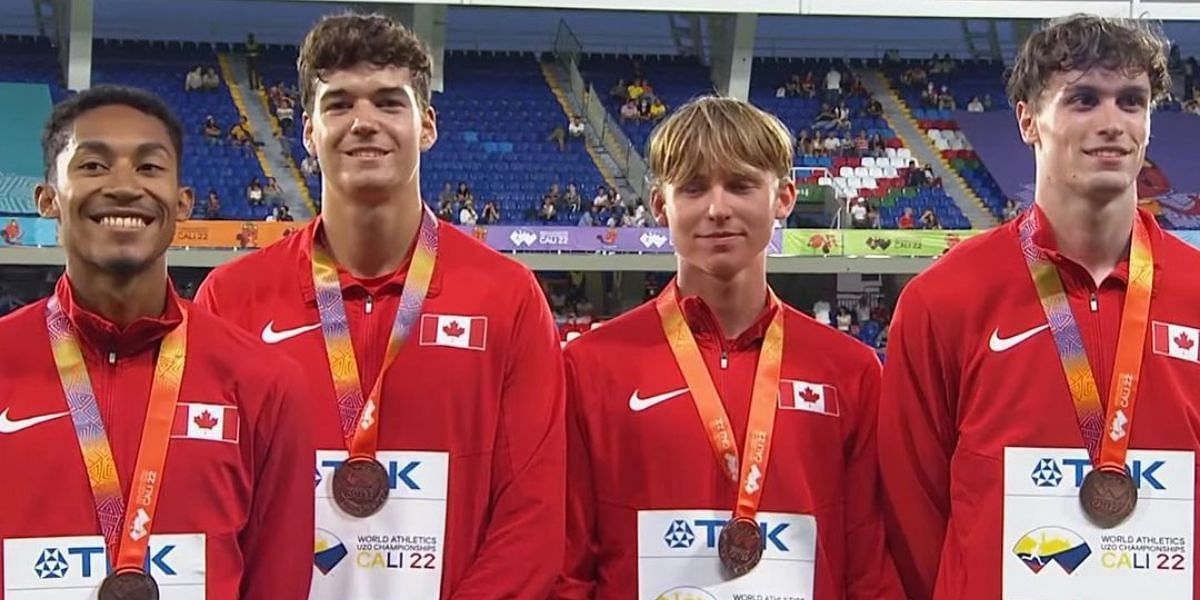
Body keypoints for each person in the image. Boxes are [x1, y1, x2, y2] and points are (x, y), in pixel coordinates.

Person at [194, 13, 565, 599]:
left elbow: (536, 516)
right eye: (338, 104)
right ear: (309, 133)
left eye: (389, 103)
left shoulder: (508, 297)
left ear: (427, 126)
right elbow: (212, 513)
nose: (364, 122)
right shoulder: (232, 300)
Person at [879, 14, 1200, 600]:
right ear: (1028, 119)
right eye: (1083, 100)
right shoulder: (942, 299)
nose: (1112, 124)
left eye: (1132, 101)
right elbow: (912, 508)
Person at [555, 96, 901, 599]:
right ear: (659, 206)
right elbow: (568, 566)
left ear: (783, 198)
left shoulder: (850, 371)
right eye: (694, 188)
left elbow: (869, 567)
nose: (717, 209)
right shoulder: (589, 365)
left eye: (740, 185)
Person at [0, 85, 313, 599]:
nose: (124, 186)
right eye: (93, 166)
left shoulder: (263, 382)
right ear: (47, 199)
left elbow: (279, 581)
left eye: (149, 168)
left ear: (183, 202)